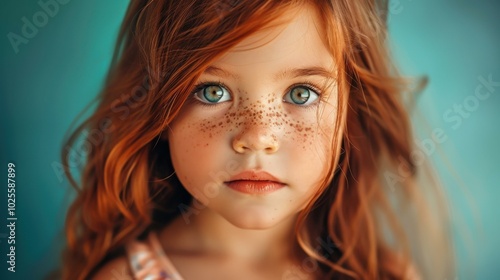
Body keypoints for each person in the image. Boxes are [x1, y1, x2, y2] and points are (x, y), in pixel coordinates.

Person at [60, 0, 455, 279]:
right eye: (212, 91)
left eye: (302, 93)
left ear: (351, 112)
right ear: (157, 108)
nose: (257, 138)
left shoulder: (381, 274)